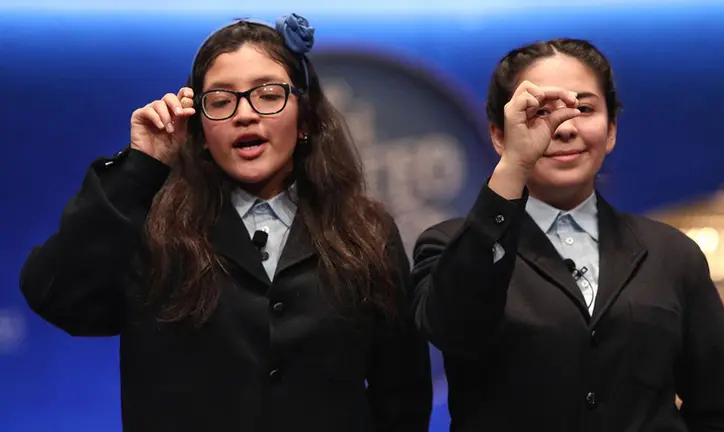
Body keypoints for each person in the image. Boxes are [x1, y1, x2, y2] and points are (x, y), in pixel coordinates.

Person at [20, 14, 432, 432]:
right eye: (220, 101)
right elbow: (56, 294)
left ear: (304, 119)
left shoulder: (367, 232)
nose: (245, 115)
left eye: (268, 95)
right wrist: (138, 168)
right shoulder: (150, 227)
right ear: (198, 128)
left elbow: (402, 396)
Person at [412, 38, 724, 431]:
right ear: (499, 134)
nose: (564, 128)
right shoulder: (448, 246)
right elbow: (454, 330)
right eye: (540, 113)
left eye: (584, 108)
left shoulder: (672, 254)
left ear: (611, 129)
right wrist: (514, 166)